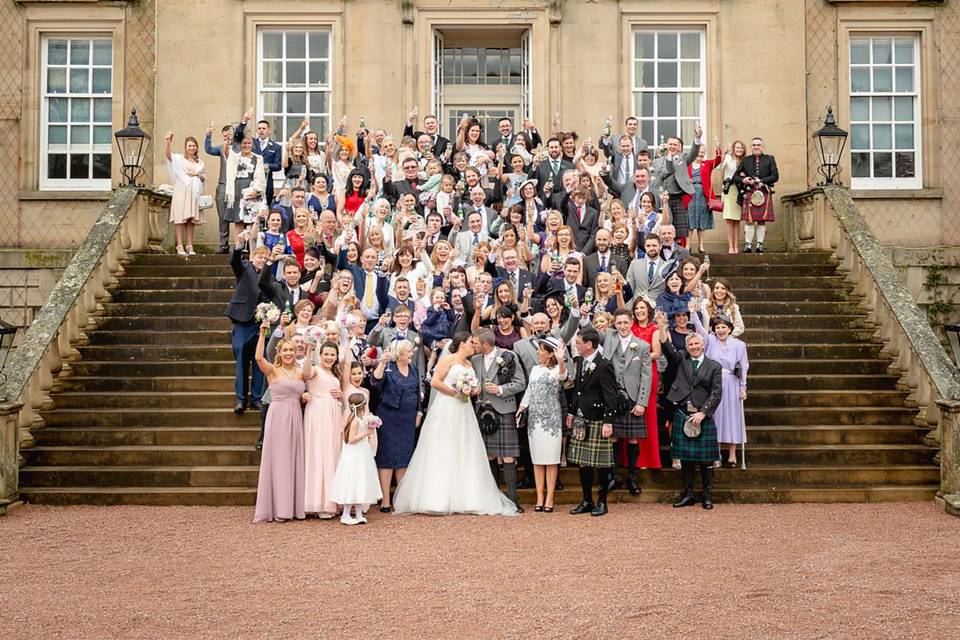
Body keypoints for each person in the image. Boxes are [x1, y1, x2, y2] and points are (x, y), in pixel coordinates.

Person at [392, 332, 518, 516]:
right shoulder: (448, 360)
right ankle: (436, 498)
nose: (473, 345)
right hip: (447, 407)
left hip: (465, 409)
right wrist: (455, 393)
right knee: (444, 447)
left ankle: (468, 497)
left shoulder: (470, 363)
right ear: (461, 344)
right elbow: (435, 382)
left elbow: (474, 386)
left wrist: (474, 389)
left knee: (465, 447)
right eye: (470, 342)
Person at [656, 311, 723, 509]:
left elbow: (716, 392)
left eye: (696, 344)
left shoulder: (714, 366)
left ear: (703, 345)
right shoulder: (681, 361)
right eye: (690, 345)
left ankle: (707, 495)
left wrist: (703, 412)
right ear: (686, 347)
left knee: (706, 459)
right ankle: (688, 494)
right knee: (685, 458)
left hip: (702, 415)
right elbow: (667, 348)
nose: (693, 347)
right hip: (683, 412)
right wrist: (661, 326)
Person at [593, 308, 652, 496]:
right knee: (613, 438)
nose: (622, 326)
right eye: (619, 323)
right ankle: (614, 477)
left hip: (632, 398)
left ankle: (632, 479)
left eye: (625, 322)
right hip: (611, 397)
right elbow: (591, 332)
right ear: (614, 324)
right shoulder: (609, 337)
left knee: (633, 439)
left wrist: (642, 402)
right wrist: (584, 314)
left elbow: (646, 376)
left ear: (631, 322)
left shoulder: (641, 346)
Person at [252, 325, 306, 523]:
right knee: (279, 459)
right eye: (285, 350)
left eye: (292, 350)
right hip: (278, 416)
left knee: (293, 459)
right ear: (279, 353)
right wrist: (262, 334)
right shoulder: (273, 370)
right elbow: (258, 358)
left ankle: (293, 507)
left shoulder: (301, 372)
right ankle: (278, 508)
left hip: (295, 416)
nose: (289, 353)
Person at [470, 329, 527, 511]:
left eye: (475, 343)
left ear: (485, 343)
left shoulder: (508, 356)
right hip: (482, 410)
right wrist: (473, 390)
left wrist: (500, 389)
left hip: (503, 410)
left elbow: (520, 383)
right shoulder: (475, 360)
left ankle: (512, 501)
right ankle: (493, 499)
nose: (473, 346)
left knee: (508, 456)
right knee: (489, 455)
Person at [566, 327, 620, 517]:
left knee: (602, 465)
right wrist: (572, 412)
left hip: (598, 419)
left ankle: (602, 502)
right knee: (583, 464)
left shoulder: (604, 365)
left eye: (579, 343)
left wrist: (608, 421)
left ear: (589, 344)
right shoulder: (580, 361)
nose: (576, 346)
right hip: (582, 418)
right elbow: (577, 390)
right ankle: (587, 501)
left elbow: (611, 396)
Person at [691, 310, 749, 467]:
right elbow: (700, 331)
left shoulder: (739, 345)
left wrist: (743, 387)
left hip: (732, 382)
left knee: (733, 417)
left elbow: (744, 366)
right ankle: (715, 453)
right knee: (715, 417)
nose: (720, 330)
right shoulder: (709, 340)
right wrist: (694, 314)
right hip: (714, 383)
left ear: (730, 328)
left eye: (723, 327)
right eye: (717, 328)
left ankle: (732, 454)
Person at [371, 339, 421, 513]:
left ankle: (400, 498)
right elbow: (375, 382)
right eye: (409, 352)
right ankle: (385, 500)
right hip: (389, 417)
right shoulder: (389, 367)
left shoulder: (414, 369)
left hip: (407, 418)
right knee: (387, 457)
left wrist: (418, 412)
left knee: (403, 458)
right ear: (400, 354)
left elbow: (417, 391)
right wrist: (381, 362)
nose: (411, 354)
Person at [517, 336, 567, 512]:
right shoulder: (534, 369)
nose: (538, 352)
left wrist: (561, 361)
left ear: (549, 353)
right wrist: (521, 408)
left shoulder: (556, 370)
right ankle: (539, 497)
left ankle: (550, 498)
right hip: (534, 420)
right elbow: (529, 391)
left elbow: (563, 376)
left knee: (551, 460)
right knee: (537, 460)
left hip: (551, 419)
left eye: (540, 350)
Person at [301, 340, 350, 518]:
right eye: (326, 354)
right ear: (320, 355)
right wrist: (309, 351)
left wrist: (341, 395)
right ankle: (318, 503)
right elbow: (306, 372)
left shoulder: (334, 373)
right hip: (318, 414)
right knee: (319, 454)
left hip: (333, 414)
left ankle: (331, 500)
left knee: (332, 454)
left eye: (332, 354)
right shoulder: (315, 370)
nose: (329, 357)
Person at [226, 236, 269, 414]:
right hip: (243, 321)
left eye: (265, 258)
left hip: (261, 325)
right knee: (242, 360)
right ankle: (241, 399)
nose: (262, 260)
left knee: (260, 362)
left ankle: (257, 398)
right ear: (252, 258)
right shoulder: (244, 268)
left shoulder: (270, 274)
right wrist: (238, 246)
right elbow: (234, 262)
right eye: (259, 257)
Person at [329, 393, 384, 525]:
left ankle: (359, 514)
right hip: (355, 456)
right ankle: (346, 515)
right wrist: (366, 433)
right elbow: (351, 440)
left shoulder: (358, 419)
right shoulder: (354, 421)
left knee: (360, 482)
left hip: (361, 454)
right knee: (353, 482)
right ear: (363, 406)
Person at [651, 124, 703, 246]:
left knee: (678, 235)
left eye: (675, 145)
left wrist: (697, 138)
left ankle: (678, 255)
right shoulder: (657, 161)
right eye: (671, 144)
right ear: (666, 145)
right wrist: (668, 159)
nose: (673, 146)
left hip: (677, 197)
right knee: (664, 229)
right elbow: (663, 173)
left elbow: (694, 153)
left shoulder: (684, 159)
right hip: (662, 198)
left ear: (680, 147)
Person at [628, 297, 662, 471]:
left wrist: (641, 356)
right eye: (636, 308)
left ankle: (648, 459)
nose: (639, 311)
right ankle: (631, 460)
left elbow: (656, 352)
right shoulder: (630, 328)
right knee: (630, 414)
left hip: (649, 372)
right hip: (631, 374)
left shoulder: (653, 329)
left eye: (642, 308)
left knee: (647, 415)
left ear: (648, 310)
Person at [734, 137, 779, 254]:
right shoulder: (746, 160)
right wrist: (744, 180)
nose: (756, 147)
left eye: (758, 145)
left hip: (764, 191)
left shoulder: (770, 159)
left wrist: (762, 181)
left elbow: (775, 176)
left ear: (762, 147)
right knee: (749, 220)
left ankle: (759, 245)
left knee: (761, 220)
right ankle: (748, 245)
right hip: (750, 191)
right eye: (754, 145)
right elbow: (735, 176)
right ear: (751, 147)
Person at [164, 132, 206, 257]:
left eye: (194, 146)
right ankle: (179, 245)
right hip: (182, 190)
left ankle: (190, 244)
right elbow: (168, 156)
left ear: (197, 147)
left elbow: (204, 178)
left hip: (194, 193)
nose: (192, 148)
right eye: (189, 146)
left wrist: (197, 174)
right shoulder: (179, 159)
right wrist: (168, 142)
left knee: (190, 219)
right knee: (180, 218)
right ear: (185, 147)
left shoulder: (200, 163)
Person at [225, 135, 267, 236]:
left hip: (251, 188)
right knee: (238, 219)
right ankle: (238, 247)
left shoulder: (258, 158)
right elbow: (226, 152)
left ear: (252, 145)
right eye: (244, 143)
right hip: (237, 189)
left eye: (249, 143)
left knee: (252, 218)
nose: (246, 146)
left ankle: (251, 247)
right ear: (240, 144)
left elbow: (259, 176)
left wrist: (256, 190)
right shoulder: (235, 157)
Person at [685, 146, 722, 254]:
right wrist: (687, 181)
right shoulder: (687, 164)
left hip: (703, 194)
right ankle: (688, 245)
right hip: (689, 194)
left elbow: (718, 160)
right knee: (689, 220)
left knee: (702, 219)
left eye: (703, 152)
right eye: (699, 152)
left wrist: (718, 150)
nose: (700, 154)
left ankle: (701, 245)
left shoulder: (707, 164)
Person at [203, 123, 234, 253]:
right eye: (225, 135)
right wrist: (208, 134)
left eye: (230, 133)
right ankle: (223, 245)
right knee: (222, 218)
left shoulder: (241, 148)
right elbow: (208, 149)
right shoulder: (221, 148)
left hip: (237, 186)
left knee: (239, 217)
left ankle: (242, 246)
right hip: (223, 185)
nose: (228, 137)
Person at [720, 140, 747, 253]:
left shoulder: (745, 161)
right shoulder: (728, 158)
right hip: (729, 189)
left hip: (740, 190)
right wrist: (723, 154)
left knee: (737, 220)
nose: (739, 149)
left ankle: (736, 246)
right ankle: (730, 246)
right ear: (733, 149)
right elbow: (719, 167)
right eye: (737, 147)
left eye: (741, 148)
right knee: (730, 219)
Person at [626, 234, 668, 302]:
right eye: (648, 246)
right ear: (645, 247)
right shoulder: (634, 264)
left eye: (654, 245)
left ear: (660, 246)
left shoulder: (667, 266)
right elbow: (629, 290)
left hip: (659, 307)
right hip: (638, 307)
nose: (651, 248)